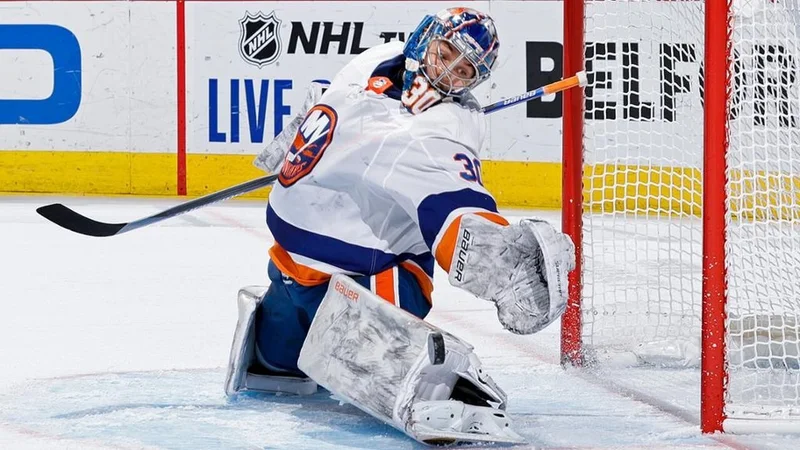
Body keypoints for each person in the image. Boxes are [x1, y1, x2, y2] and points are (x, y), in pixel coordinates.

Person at [226, 7, 575, 444]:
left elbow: (457, 210)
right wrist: (297, 137)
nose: (448, 72)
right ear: (424, 38)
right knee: (275, 367)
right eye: (445, 53)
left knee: (390, 369)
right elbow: (327, 94)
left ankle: (441, 388)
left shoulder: (441, 130)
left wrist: (510, 270)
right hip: (292, 268)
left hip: (366, 281)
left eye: (464, 70)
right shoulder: (378, 58)